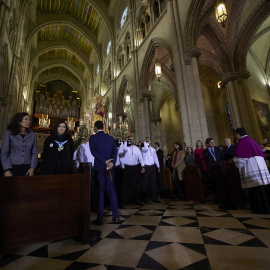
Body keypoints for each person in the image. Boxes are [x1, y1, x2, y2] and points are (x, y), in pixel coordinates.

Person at [233, 127, 270, 214]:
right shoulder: (251, 140)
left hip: (252, 167)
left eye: (235, 134)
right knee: (262, 187)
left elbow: (240, 158)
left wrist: (234, 160)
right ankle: (266, 207)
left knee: (255, 188)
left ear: (238, 134)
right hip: (260, 166)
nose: (235, 136)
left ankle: (259, 208)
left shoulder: (243, 141)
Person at [89, 120, 119, 225]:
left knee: (100, 191)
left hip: (100, 167)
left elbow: (94, 152)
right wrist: (112, 162)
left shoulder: (93, 138)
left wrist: (104, 161)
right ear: (103, 127)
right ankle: (116, 216)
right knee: (111, 190)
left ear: (95, 128)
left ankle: (100, 218)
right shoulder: (110, 138)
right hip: (110, 167)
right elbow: (115, 152)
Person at [1, 112, 38, 177]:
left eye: (29, 120)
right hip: (12, 167)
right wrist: (7, 170)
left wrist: (32, 168)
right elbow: (4, 153)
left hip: (28, 168)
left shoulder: (32, 135)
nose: (28, 121)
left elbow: (34, 153)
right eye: (26, 119)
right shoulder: (9, 133)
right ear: (19, 121)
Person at [120, 136, 145, 206]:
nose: (132, 140)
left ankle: (133, 199)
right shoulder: (124, 148)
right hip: (127, 168)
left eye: (132, 139)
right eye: (130, 139)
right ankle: (124, 200)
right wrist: (123, 166)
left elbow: (140, 158)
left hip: (135, 168)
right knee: (125, 185)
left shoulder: (136, 148)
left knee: (134, 184)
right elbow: (121, 156)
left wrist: (143, 166)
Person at [141, 137, 160, 203]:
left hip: (152, 167)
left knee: (153, 182)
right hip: (146, 166)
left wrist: (158, 166)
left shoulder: (153, 149)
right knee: (146, 183)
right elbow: (146, 149)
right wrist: (145, 143)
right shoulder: (143, 148)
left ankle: (154, 197)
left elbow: (155, 158)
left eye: (149, 140)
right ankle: (146, 198)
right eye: (147, 140)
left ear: (151, 141)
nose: (148, 141)